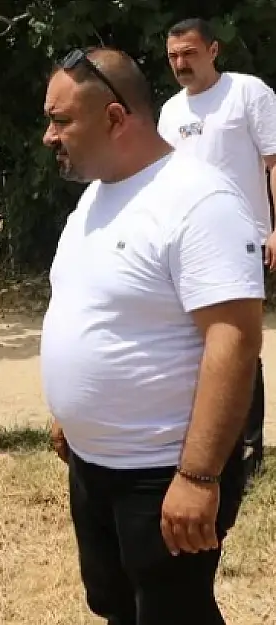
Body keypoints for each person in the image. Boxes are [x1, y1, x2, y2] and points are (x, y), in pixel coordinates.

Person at [41, 47, 262, 624]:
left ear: (115, 118)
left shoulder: (198, 198)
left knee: (172, 612)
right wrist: (73, 412)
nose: (48, 135)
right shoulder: (95, 196)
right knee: (114, 602)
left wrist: (197, 476)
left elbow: (234, 339)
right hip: (94, 466)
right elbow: (88, 306)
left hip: (163, 472)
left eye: (61, 119)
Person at [157, 17, 276, 483]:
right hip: (185, 245)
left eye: (189, 53)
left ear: (213, 49)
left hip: (241, 238)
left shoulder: (248, 94)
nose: (181, 63)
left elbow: (273, 163)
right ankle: (207, 440)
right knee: (192, 344)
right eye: (173, 57)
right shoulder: (169, 112)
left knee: (238, 343)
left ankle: (249, 449)